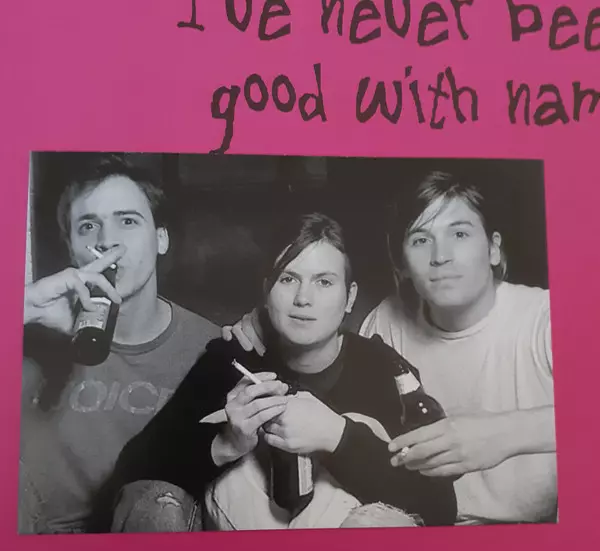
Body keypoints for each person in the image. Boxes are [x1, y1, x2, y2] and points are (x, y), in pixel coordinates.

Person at [224, 171, 557, 526]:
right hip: (417, 522)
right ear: (401, 263)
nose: (440, 256)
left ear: (493, 248)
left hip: (526, 534)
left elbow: (589, 418)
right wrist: (269, 322)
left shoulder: (547, 318)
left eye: (459, 234)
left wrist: (502, 434)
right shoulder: (385, 322)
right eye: (421, 239)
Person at [105, 213, 457, 532]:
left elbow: (440, 506)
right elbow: (133, 473)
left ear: (350, 298)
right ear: (266, 291)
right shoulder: (232, 360)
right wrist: (224, 445)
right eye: (288, 278)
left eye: (324, 282)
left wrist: (339, 437)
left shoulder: (383, 370)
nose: (303, 298)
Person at [19, 155, 220, 534]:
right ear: (71, 248)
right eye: (88, 226)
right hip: (32, 548)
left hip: (139, 549)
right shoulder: (30, 332)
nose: (106, 241)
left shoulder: (210, 349)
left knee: (159, 500)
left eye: (127, 221)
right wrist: (21, 307)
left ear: (161, 239)